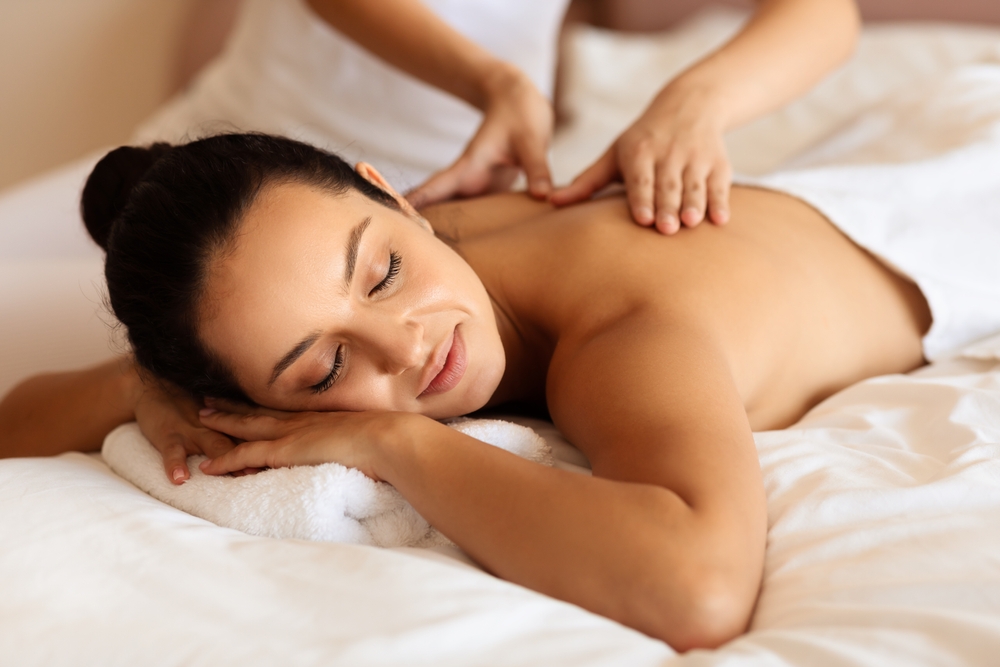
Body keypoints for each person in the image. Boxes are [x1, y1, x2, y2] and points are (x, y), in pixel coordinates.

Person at [5, 65, 1000, 649]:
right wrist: (146, 381)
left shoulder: (623, 342)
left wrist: (393, 441)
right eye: (321, 369)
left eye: (384, 269)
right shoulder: (432, 245)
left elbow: (696, 586)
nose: (408, 342)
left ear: (394, 194)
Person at [141, 0, 860, 232]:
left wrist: (691, 105)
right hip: (206, 134)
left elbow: (825, 14)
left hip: (415, 197)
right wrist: (494, 81)